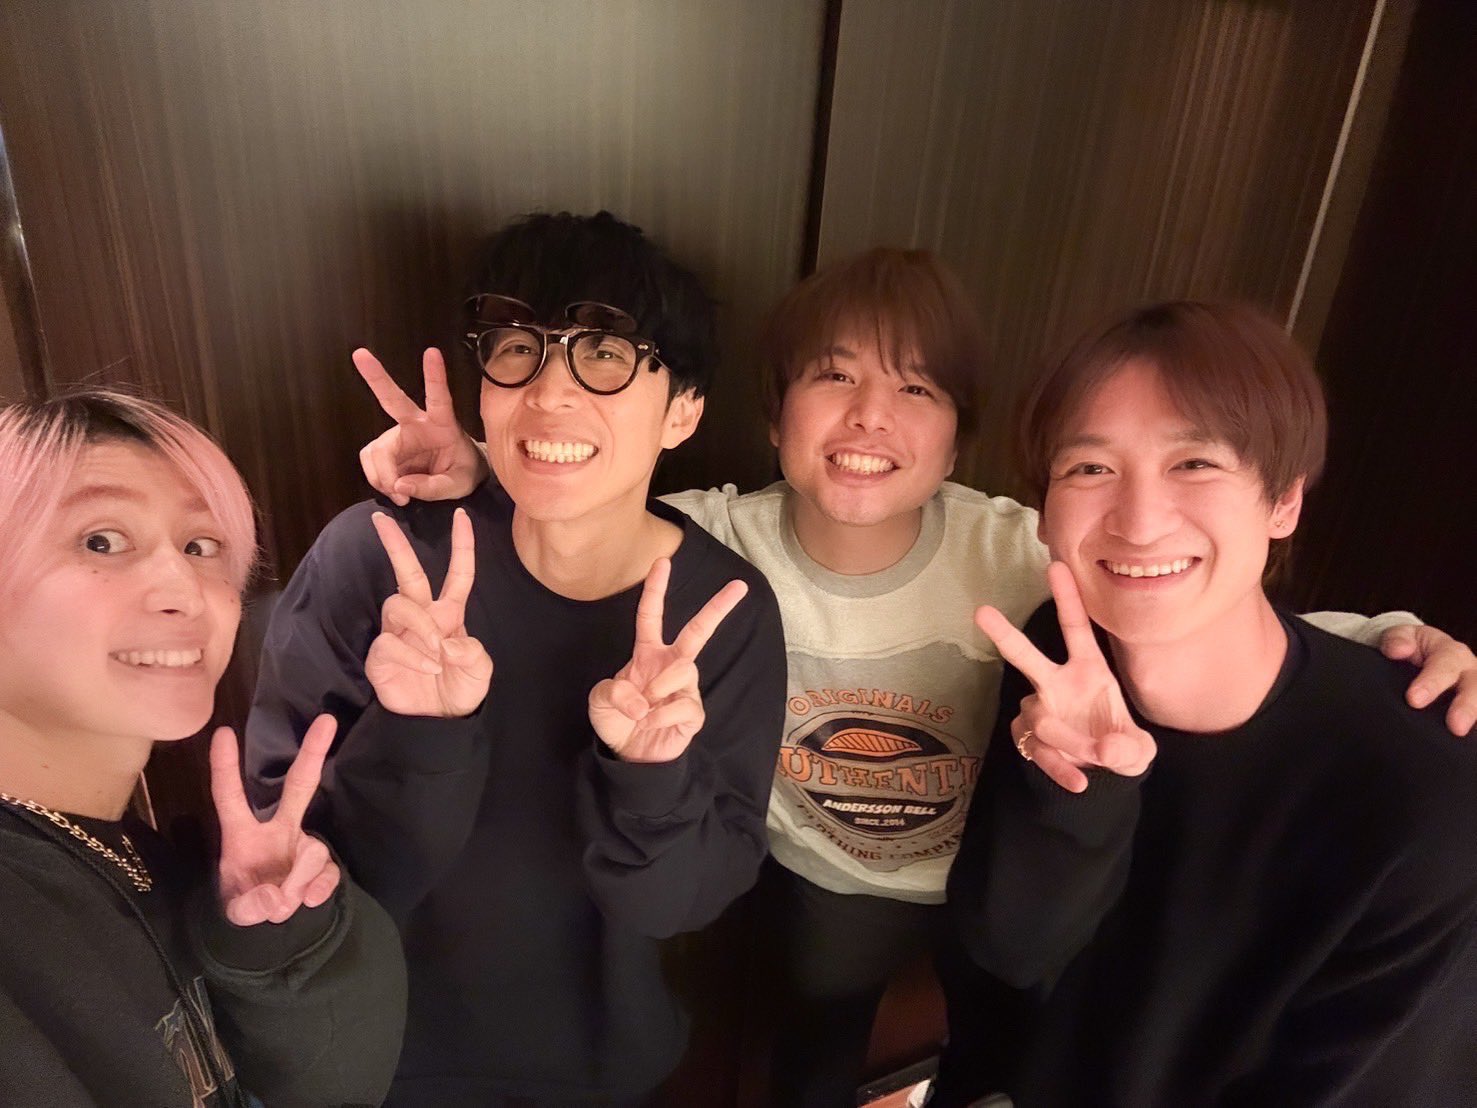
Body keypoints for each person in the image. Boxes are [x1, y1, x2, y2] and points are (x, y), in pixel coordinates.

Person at [356, 249, 1477, 1107]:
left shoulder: (1020, 549)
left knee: (995, 1028)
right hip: (824, 883)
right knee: (813, 1042)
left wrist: (1396, 636)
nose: (867, 417)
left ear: (958, 437)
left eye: (915, 388)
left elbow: (1187, 600)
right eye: (832, 376)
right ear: (772, 415)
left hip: (992, 872)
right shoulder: (715, 545)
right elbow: (592, 520)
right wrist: (481, 479)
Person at [245, 211, 787, 1106]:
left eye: (606, 354)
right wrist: (418, 736)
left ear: (683, 410)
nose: (549, 392)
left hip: (593, 1074)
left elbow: (680, 906)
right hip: (366, 1064)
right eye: (517, 349)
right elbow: (289, 871)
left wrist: (651, 775)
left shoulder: (720, 613)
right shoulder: (377, 561)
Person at [951, 301, 1477, 1104]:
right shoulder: (1058, 655)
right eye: (1089, 469)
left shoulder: (1424, 786)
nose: (1138, 522)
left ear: (1283, 502)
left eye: (1194, 463)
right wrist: (1075, 795)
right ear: (1045, 514)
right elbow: (1010, 955)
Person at [0, 387, 406, 1107]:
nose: (184, 590)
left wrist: (276, 949)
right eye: (101, 541)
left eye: (200, 546)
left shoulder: (156, 863)